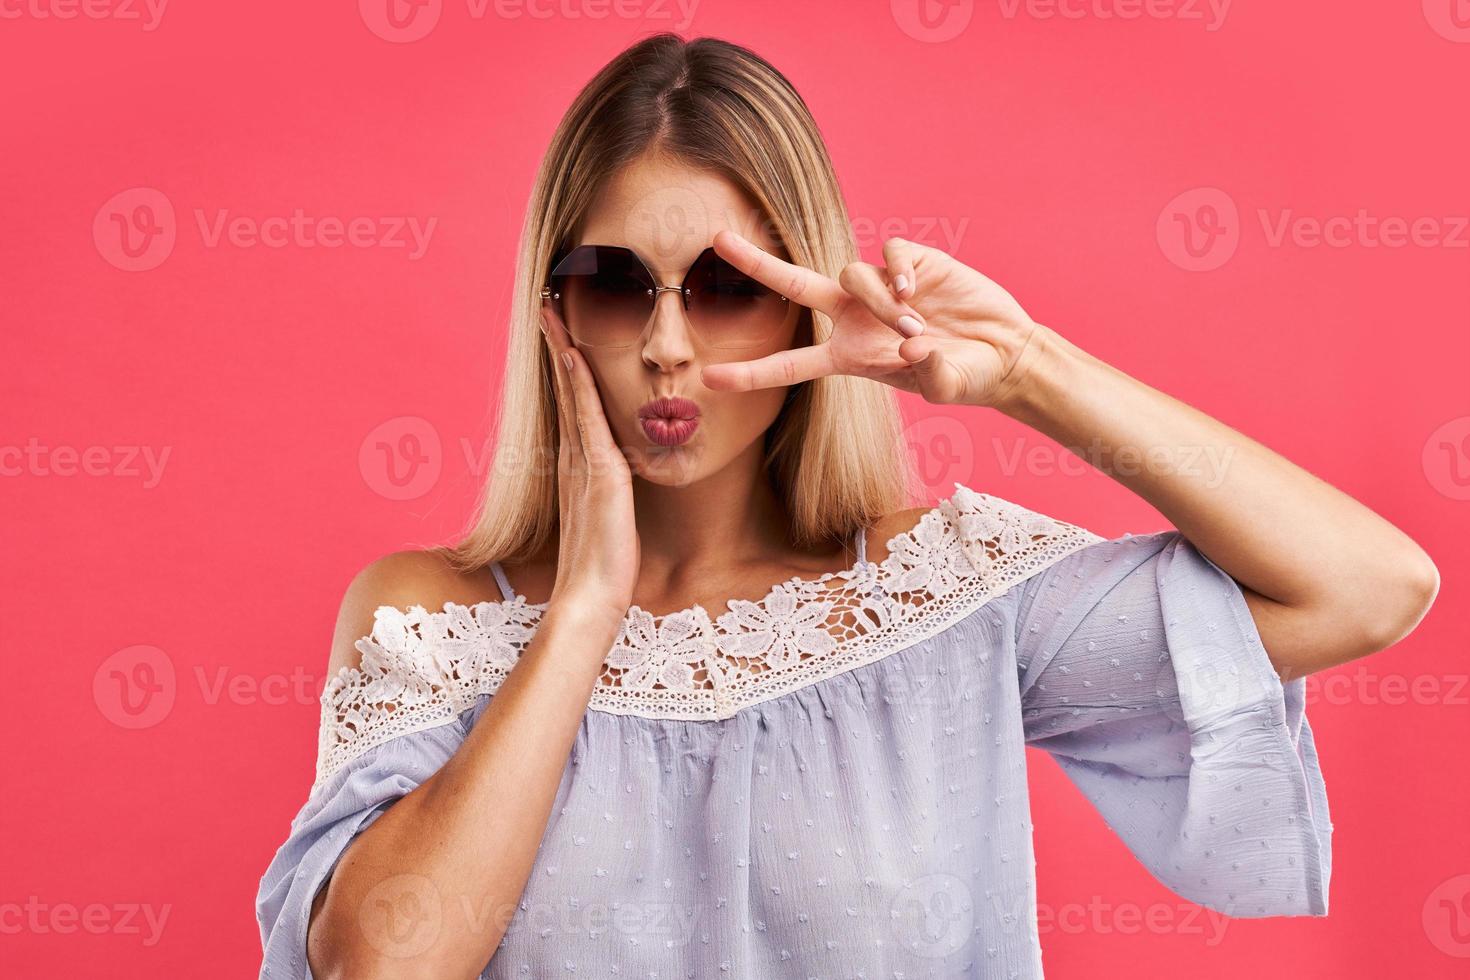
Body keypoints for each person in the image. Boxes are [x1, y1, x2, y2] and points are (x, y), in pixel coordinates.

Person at [255, 32, 1438, 980]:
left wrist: (1025, 365)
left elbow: (1371, 586)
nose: (668, 346)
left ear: (801, 308)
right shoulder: (428, 617)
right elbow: (380, 962)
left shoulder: (943, 603)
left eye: (724, 286)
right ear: (551, 307)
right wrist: (586, 609)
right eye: (616, 284)